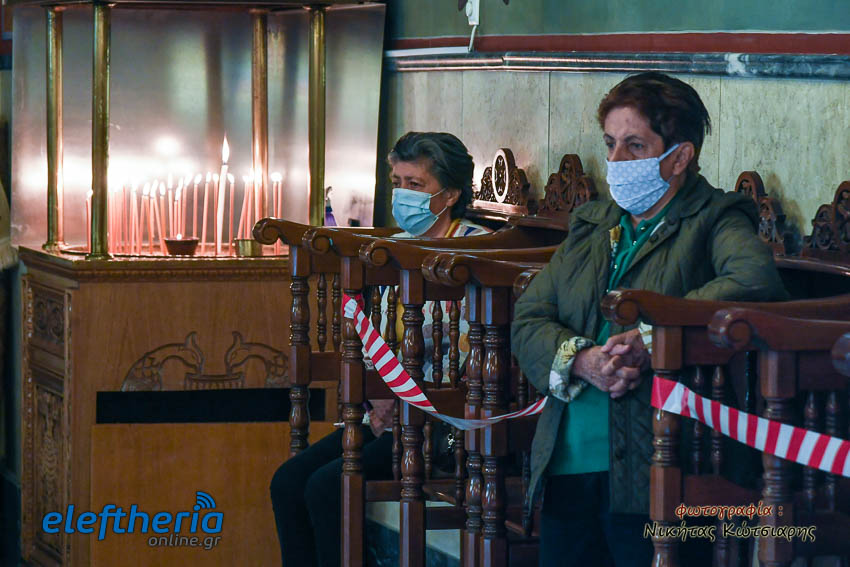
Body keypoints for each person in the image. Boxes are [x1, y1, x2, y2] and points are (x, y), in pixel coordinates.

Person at [511, 72, 788, 567]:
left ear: (679, 157)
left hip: (660, 464)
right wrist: (582, 360)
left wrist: (651, 337)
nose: (616, 160)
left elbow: (754, 279)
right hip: (567, 458)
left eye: (635, 146)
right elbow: (531, 315)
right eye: (610, 144)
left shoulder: (715, 217)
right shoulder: (594, 223)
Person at [270, 131, 489, 567]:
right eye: (397, 182)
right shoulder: (398, 247)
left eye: (416, 184)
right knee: (287, 481)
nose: (403, 194)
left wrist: (405, 398)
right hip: (386, 414)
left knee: (325, 486)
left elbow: (473, 354)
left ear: (450, 195)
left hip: (441, 423)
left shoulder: (476, 249)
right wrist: (375, 391)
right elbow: (375, 332)